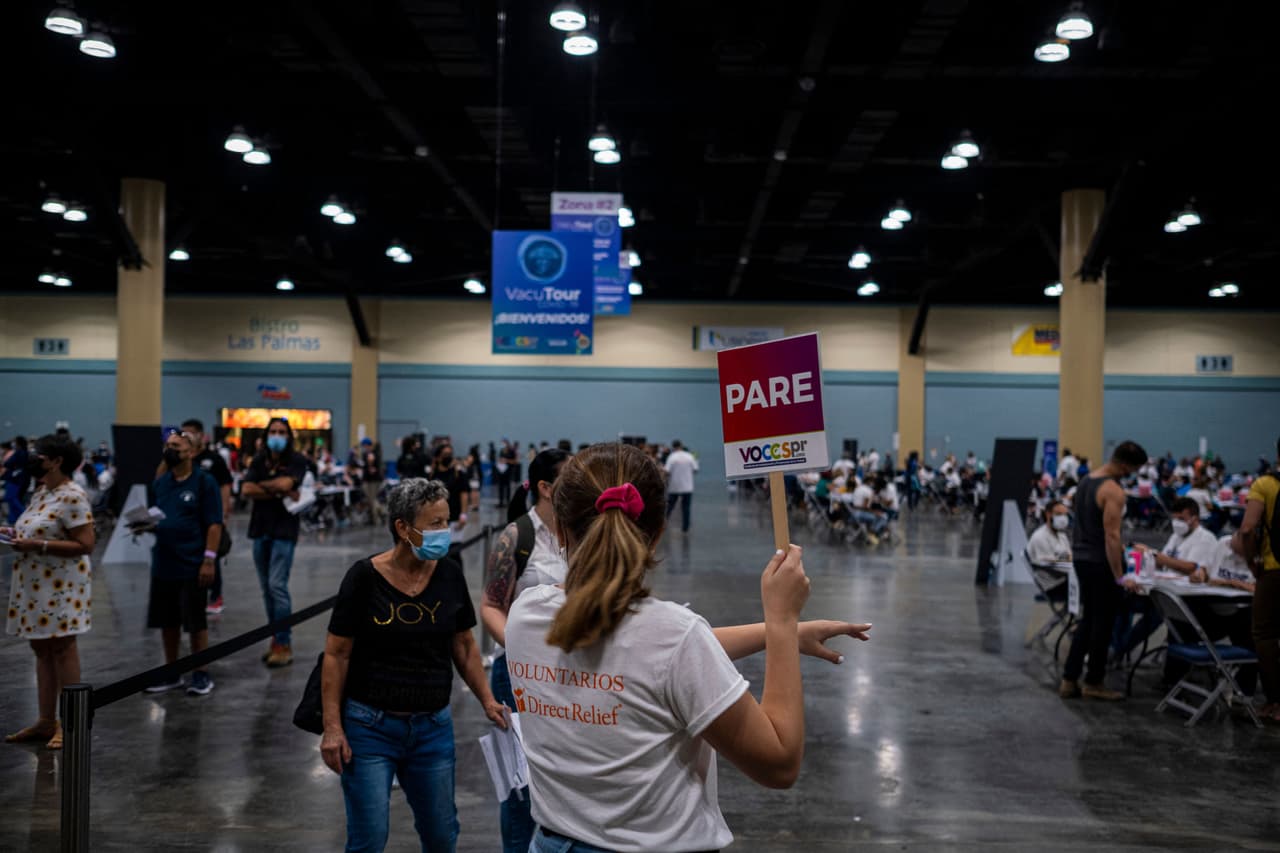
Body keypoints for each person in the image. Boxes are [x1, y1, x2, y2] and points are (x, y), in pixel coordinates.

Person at [505, 443, 871, 853]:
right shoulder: (674, 638)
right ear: (658, 531)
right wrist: (782, 623)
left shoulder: (524, 615)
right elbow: (779, 763)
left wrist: (772, 632)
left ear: (558, 529)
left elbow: (647, 663)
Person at [319, 478, 507, 853]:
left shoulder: (449, 572)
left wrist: (487, 699)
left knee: (441, 836)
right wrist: (332, 728)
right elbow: (337, 655)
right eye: (434, 523)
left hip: (432, 730)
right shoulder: (363, 578)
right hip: (369, 728)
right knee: (369, 838)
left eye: (447, 521)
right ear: (403, 528)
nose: (445, 531)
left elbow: (464, 644)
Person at [479, 448, 571, 853]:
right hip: (516, 674)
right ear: (546, 488)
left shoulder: (581, 532)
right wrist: (521, 648)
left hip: (571, 672)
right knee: (521, 784)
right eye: (570, 478)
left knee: (564, 775)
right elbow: (491, 606)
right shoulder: (516, 536)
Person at [3, 434, 96, 750]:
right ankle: (46, 720)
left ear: (57, 461)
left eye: (39, 455)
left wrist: (37, 544)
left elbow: (85, 544)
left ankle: (71, 723)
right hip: (35, 583)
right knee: (41, 650)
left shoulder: (72, 495)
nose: (33, 458)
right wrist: (15, 533)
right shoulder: (42, 491)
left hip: (62, 585)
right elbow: (39, 527)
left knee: (63, 649)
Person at [1060, 441, 1149, 702]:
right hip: (1101, 562)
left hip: (1081, 558)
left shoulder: (1086, 481)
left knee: (1089, 620)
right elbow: (1112, 536)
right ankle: (1094, 681)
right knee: (1103, 623)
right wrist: (1121, 575)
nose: (1132, 474)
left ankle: (1069, 679)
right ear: (1125, 465)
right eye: (1133, 469)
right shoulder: (1113, 491)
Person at [142, 431, 223, 696]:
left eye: (176, 446)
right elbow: (157, 515)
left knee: (195, 622)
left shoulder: (204, 482)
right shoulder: (161, 482)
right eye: (167, 446)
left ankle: (201, 672)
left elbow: (214, 524)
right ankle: (172, 671)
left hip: (192, 562)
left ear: (190, 452)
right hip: (164, 562)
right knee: (168, 621)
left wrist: (209, 560)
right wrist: (144, 525)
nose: (170, 450)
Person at [241, 417, 308, 668]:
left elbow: (286, 483)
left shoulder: (297, 461)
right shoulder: (259, 460)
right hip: (260, 530)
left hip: (284, 531)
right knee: (266, 590)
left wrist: (266, 486)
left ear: (289, 436)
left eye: (281, 431)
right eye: (273, 431)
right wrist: (277, 490)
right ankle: (275, 640)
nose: (277, 435)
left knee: (277, 586)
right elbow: (246, 490)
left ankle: (284, 642)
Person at [1235, 437, 1279, 720]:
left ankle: (1275, 702)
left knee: (1264, 634)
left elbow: (1248, 529)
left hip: (1274, 568)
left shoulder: (1265, 484)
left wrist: (1253, 562)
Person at [171, 419, 233, 615]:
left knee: (211, 556)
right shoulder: (184, 459)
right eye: (183, 434)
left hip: (210, 518)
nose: (186, 437)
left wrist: (224, 512)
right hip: (188, 521)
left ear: (200, 434)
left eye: (189, 433)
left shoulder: (214, 459)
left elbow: (225, 485)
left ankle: (215, 596)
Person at [1135, 497, 1219, 577]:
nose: (1177, 523)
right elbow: (1163, 561)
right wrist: (1145, 555)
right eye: (1174, 519)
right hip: (1168, 582)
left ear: (1195, 519)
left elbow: (1191, 568)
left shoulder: (1205, 538)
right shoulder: (1176, 536)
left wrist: (1152, 554)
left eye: (1181, 519)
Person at [429, 443, 472, 533]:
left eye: (450, 454)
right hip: (435, 520)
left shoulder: (458, 474)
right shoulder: (432, 476)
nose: (448, 457)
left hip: (454, 518)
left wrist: (463, 515)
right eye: (445, 455)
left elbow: (464, 495)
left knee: (455, 546)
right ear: (438, 457)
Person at [663, 439, 698, 533]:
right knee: (686, 508)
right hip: (687, 486)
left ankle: (662, 525)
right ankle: (685, 528)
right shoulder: (689, 456)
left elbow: (666, 471)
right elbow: (695, 469)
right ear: (681, 446)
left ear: (673, 447)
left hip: (674, 486)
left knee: (669, 507)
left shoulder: (672, 457)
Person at [2, 435, 31, 524]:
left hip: (15, 479)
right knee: (14, 499)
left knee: (11, 498)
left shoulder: (19, 452)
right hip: (23, 479)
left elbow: (7, 463)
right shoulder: (26, 452)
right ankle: (13, 519)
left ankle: (25, 515)